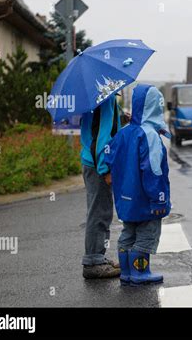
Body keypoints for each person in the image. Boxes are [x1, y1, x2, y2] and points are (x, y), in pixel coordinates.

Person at [104, 84, 171, 286]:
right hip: (145, 199)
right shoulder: (150, 135)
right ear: (155, 107)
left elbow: (109, 157)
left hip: (125, 198)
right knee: (147, 234)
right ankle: (140, 273)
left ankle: (126, 272)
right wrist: (159, 199)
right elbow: (153, 171)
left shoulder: (124, 133)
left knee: (128, 233)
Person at [80, 94, 121, 279]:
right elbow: (101, 138)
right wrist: (105, 170)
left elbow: (95, 128)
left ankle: (98, 257)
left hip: (90, 161)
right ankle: (93, 262)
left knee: (99, 210)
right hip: (97, 164)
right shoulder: (105, 97)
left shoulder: (93, 96)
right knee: (100, 212)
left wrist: (121, 118)